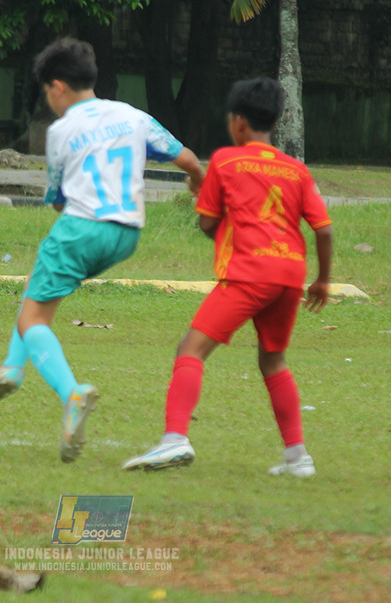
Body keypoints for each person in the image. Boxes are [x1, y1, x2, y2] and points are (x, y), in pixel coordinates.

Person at [0, 37, 205, 463]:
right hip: (126, 235)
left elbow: (58, 199)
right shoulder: (133, 116)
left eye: (46, 92)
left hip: (81, 228)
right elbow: (187, 159)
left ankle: (71, 394)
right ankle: (10, 368)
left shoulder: (60, 131)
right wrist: (198, 183)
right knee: (37, 290)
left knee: (33, 319)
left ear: (57, 87)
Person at [122, 77, 333, 475]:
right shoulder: (295, 170)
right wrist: (322, 280)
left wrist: (200, 198)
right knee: (273, 361)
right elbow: (323, 229)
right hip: (289, 276)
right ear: (276, 120)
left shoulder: (224, 161)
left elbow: (206, 223)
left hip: (249, 273)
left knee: (191, 349)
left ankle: (174, 439)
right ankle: (297, 457)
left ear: (237, 122)